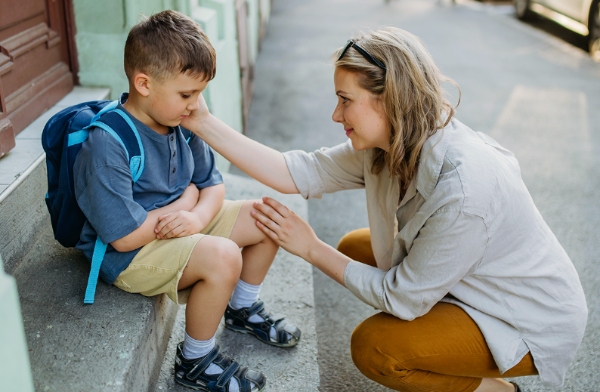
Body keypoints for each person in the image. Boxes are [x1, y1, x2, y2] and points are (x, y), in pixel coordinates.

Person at [182, 27, 588, 392]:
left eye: (345, 100)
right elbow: (297, 171)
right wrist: (200, 120)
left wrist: (310, 248)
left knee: (376, 348)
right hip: (475, 284)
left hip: (526, 317)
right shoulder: (389, 142)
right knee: (360, 249)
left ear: (390, 100)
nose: (336, 114)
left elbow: (403, 299)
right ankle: (445, 348)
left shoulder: (465, 191)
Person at [73, 10, 301, 392]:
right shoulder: (107, 143)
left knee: (268, 217)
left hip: (175, 227)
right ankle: (196, 360)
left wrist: (196, 215)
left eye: (199, 93)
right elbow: (123, 237)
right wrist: (185, 205)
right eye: (187, 94)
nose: (196, 105)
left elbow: (212, 186)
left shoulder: (180, 119)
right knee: (224, 254)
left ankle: (242, 307)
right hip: (131, 253)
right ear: (143, 83)